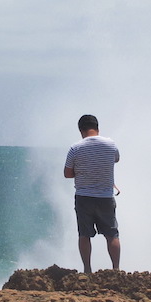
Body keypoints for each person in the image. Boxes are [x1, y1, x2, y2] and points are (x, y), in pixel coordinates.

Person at [63, 114, 120, 273]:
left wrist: (82, 171)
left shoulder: (75, 148)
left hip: (84, 197)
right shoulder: (111, 145)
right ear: (97, 128)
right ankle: (116, 270)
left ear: (81, 130)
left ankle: (87, 270)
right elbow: (115, 160)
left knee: (84, 235)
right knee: (112, 234)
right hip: (106, 197)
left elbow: (67, 173)